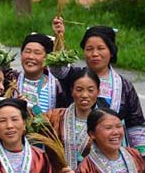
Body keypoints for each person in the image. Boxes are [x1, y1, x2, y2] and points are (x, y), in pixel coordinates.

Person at [51, 21, 145, 154]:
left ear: (111, 52)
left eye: (101, 48)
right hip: (76, 150)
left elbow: (135, 123)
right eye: (89, 49)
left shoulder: (124, 86)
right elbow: (57, 69)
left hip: (112, 152)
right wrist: (59, 37)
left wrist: (141, 155)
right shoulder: (74, 76)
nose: (95, 54)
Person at [0, 27, 61, 115]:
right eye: (27, 51)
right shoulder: (9, 79)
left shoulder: (57, 87)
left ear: (47, 58)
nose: (31, 57)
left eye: (37, 53)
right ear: (21, 55)